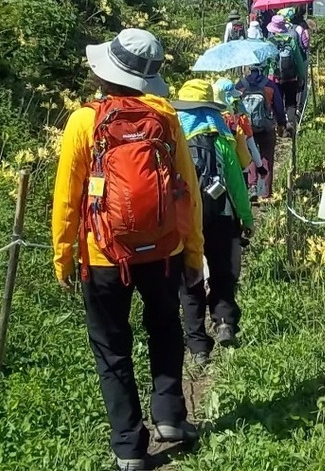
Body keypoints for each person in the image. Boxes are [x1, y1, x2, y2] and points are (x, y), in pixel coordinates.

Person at [51, 28, 203, 471]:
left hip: (103, 254)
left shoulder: (84, 120)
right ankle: (171, 416)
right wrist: (192, 253)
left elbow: (67, 196)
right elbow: (187, 192)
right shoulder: (165, 117)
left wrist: (63, 255)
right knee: (165, 329)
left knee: (111, 347)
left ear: (105, 73)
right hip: (162, 251)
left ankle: (129, 448)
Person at [171, 79, 255, 363]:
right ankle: (224, 323)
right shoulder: (221, 134)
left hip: (185, 219)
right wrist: (245, 217)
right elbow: (236, 180)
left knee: (190, 279)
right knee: (223, 272)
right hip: (221, 214)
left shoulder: (173, 135)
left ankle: (197, 347)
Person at [236, 64, 286, 200]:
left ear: (248, 68)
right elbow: (279, 108)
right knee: (266, 158)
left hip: (246, 127)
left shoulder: (240, 85)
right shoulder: (269, 85)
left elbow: (234, 105)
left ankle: (251, 186)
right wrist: (282, 124)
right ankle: (264, 192)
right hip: (266, 127)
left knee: (250, 155)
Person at [214, 78, 266, 201]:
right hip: (238, 167)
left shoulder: (209, 117)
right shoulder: (239, 118)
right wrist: (259, 166)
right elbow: (251, 145)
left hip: (214, 170)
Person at [266, 14, 306, 132]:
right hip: (291, 77)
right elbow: (298, 60)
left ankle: (279, 126)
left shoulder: (270, 41)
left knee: (276, 102)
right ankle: (291, 125)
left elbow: (267, 62)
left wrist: (266, 76)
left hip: (274, 78)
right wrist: (301, 76)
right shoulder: (291, 40)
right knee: (291, 102)